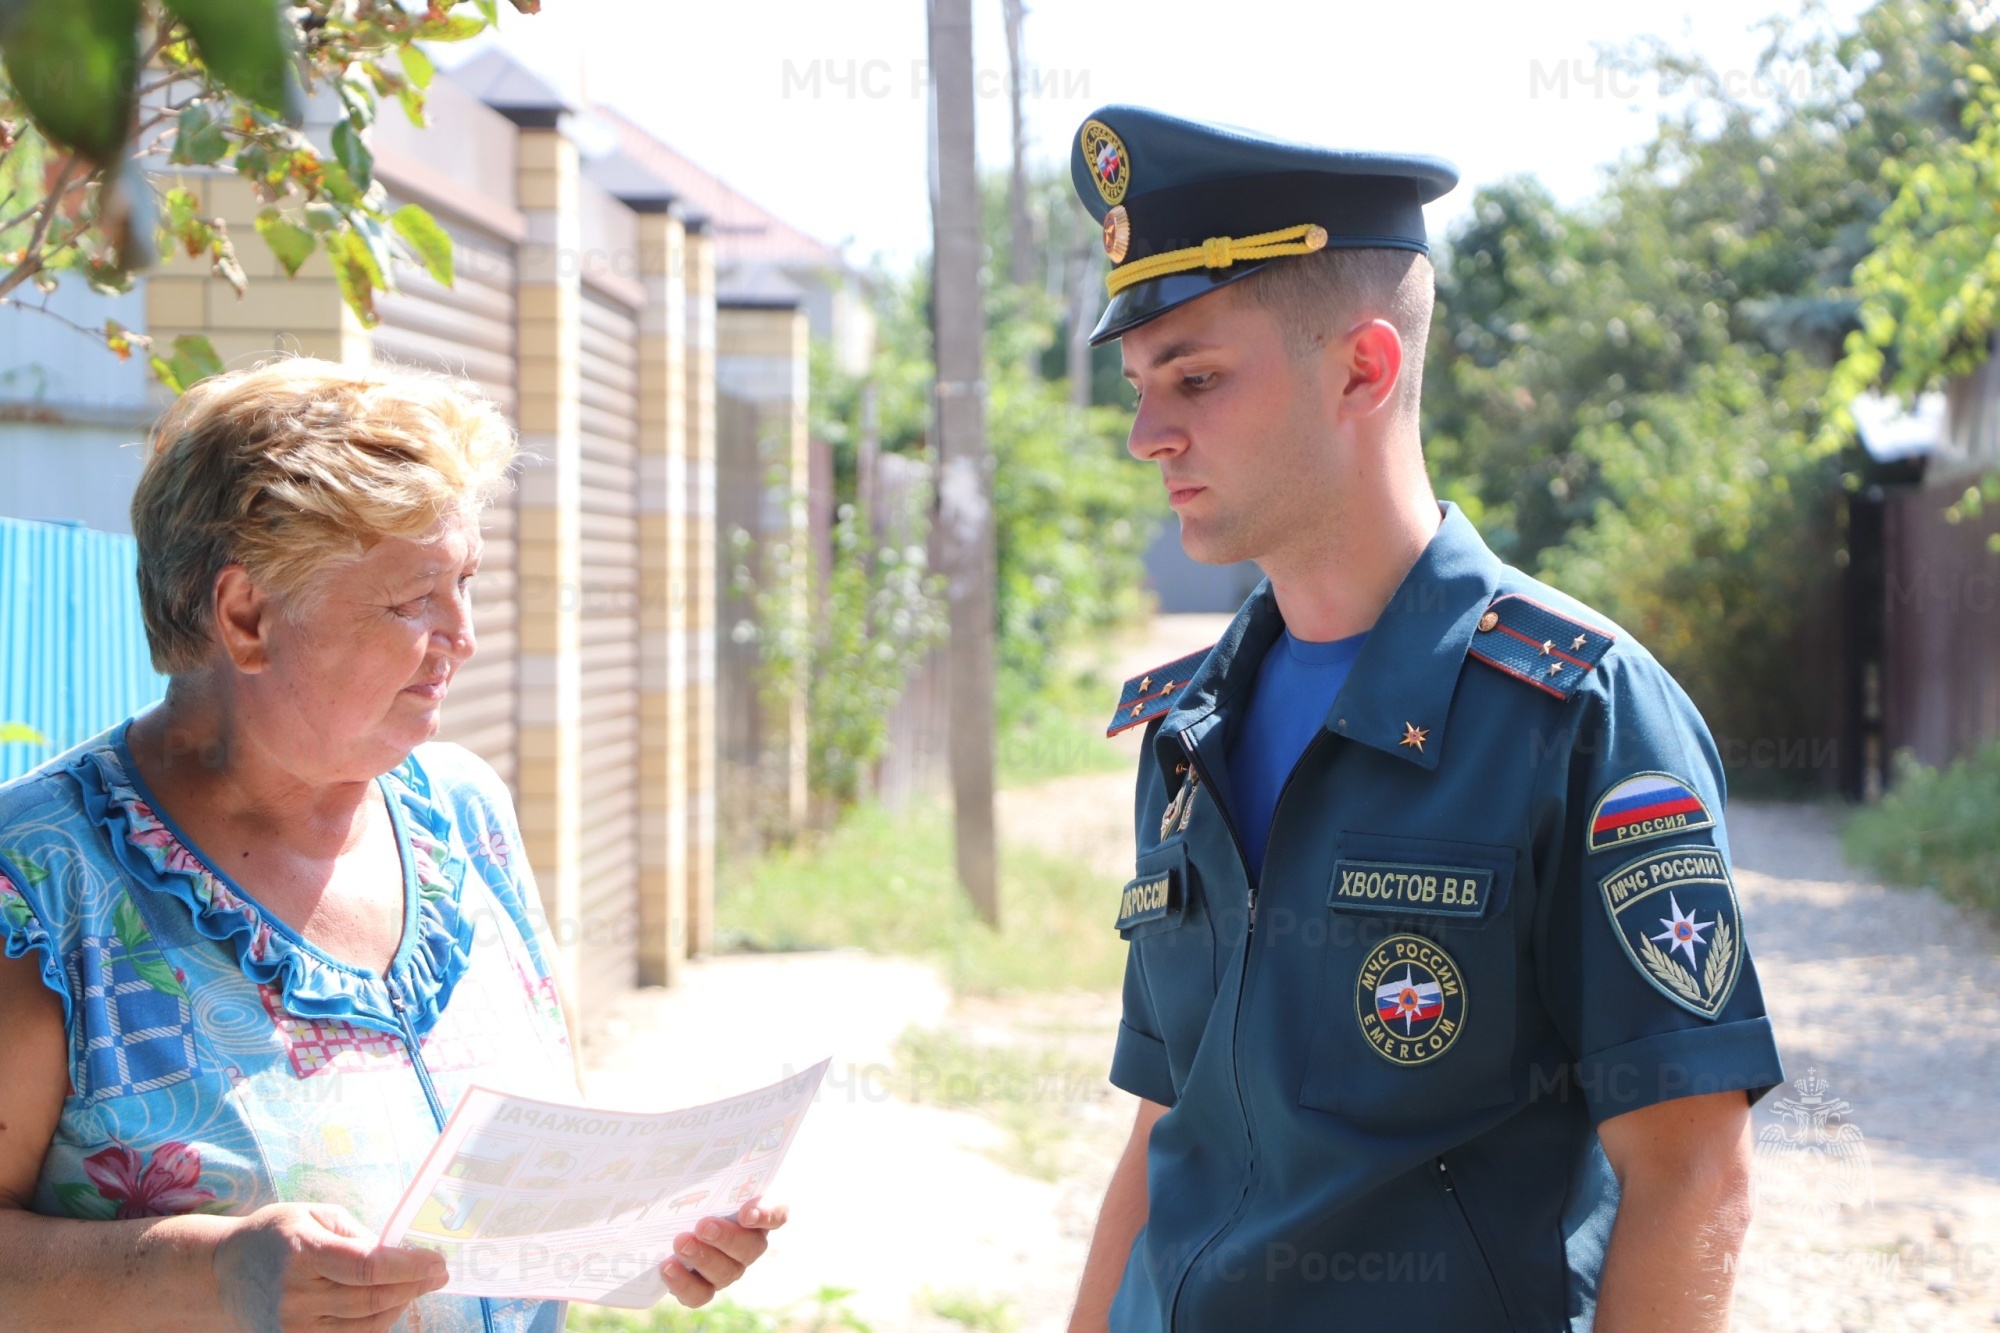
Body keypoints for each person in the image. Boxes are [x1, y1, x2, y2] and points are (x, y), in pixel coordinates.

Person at [1064, 106, 1786, 1332]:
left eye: (1192, 378)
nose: (1147, 436)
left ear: (1362, 367)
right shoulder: (1190, 729)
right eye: (1139, 388)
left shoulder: (1576, 716)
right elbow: (1169, 1124)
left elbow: (1689, 1171)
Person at [0, 360, 781, 1331]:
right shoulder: (37, 876)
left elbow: (531, 1152)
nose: (463, 635)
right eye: (413, 600)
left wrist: (640, 1224)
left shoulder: (462, 812)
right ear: (246, 615)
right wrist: (211, 1271)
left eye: (465, 583)